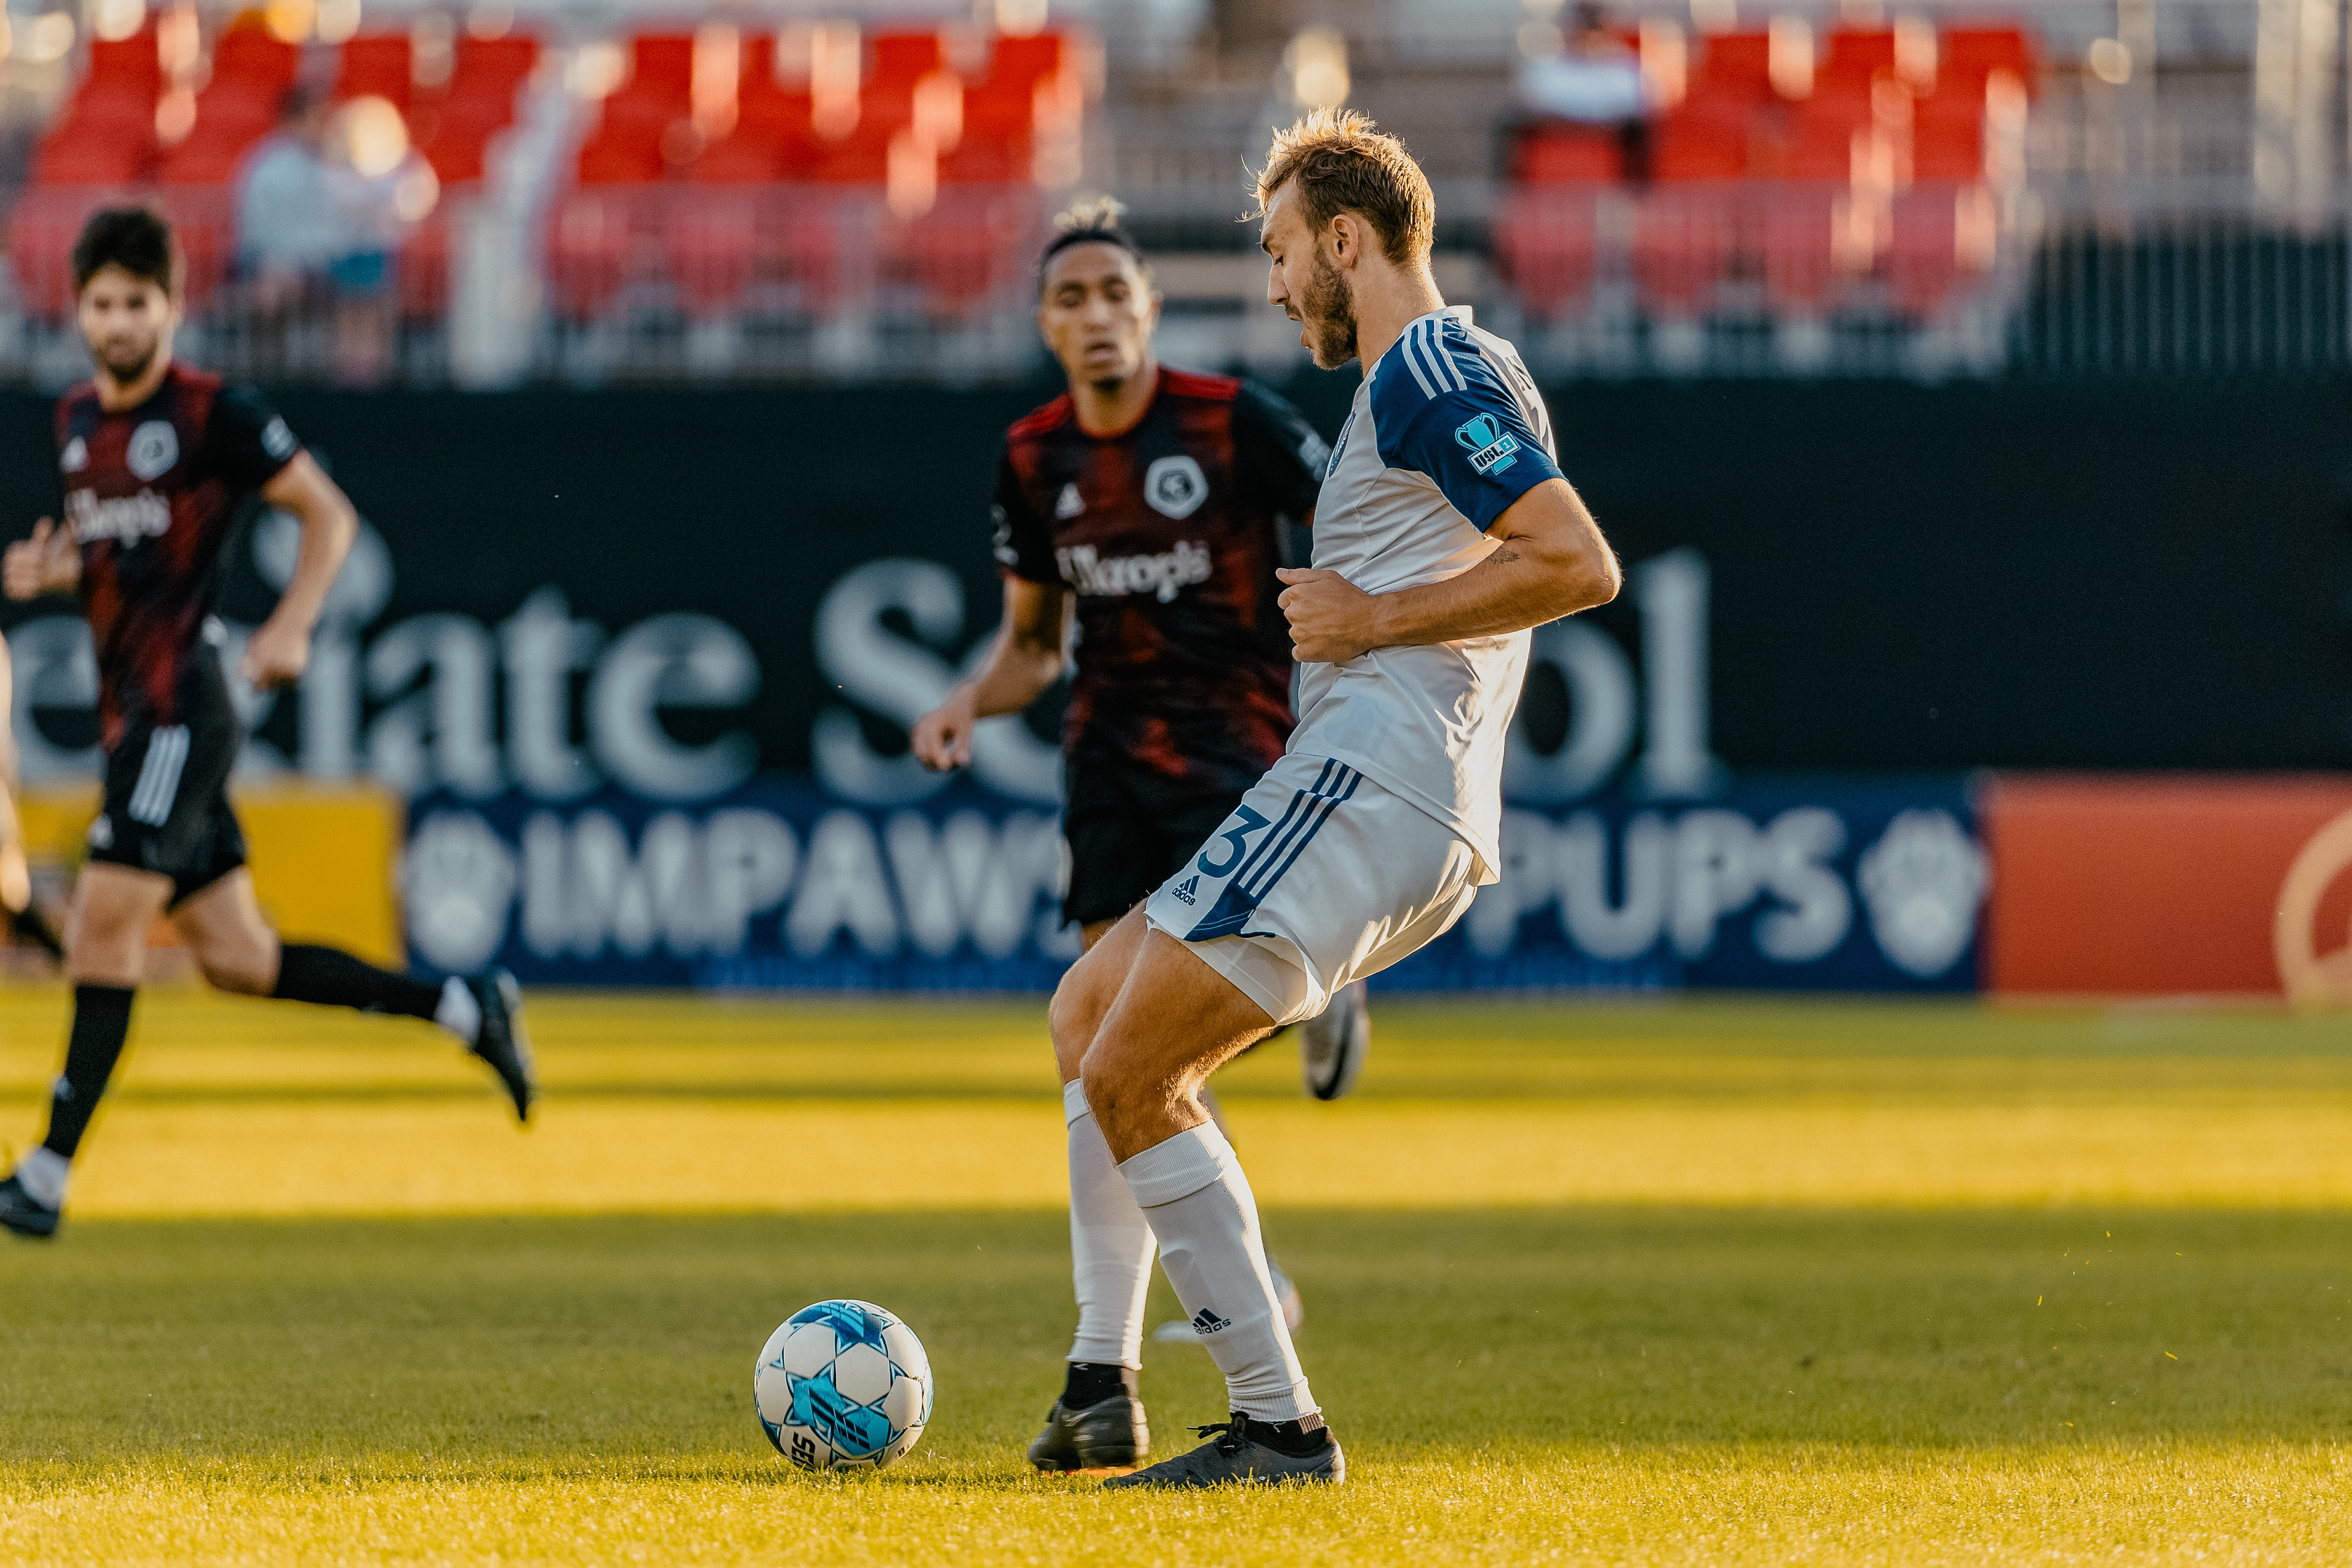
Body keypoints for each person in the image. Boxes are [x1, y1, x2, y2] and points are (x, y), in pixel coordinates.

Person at [1048, 109, 1622, 1488]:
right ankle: (1104, 1375)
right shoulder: (1432, 372)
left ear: (1346, 239)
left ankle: (1276, 1423)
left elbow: (1576, 559)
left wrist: (1371, 618)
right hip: (1387, 788)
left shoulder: (1426, 358)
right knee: (1087, 1014)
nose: (1272, 283)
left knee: (1136, 1069)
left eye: (1280, 249)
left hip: (1374, 777)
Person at [908, 195, 1366, 1473]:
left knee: (1130, 1049)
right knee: (1104, 1048)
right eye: (1072, 297)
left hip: (1236, 766)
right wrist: (960, 700)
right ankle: (1116, 1365)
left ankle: (1135, 1364)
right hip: (1109, 770)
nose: (1097, 314)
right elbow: (1032, 650)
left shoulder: (1230, 421)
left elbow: (1359, 543)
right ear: (1044, 322)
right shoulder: (1032, 455)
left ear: (1150, 309)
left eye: (1117, 291)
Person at [0, 208, 533, 1242]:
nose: (116, 323)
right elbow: (122, 559)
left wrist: (291, 624)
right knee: (239, 960)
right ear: (79, 312)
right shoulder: (76, 420)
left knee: (103, 921)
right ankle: (469, 1010)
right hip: (131, 714)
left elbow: (326, 515)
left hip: (180, 709)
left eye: (135, 303)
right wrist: (57, 569)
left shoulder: (214, 412)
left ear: (173, 305)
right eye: (100, 304)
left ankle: (46, 1175)